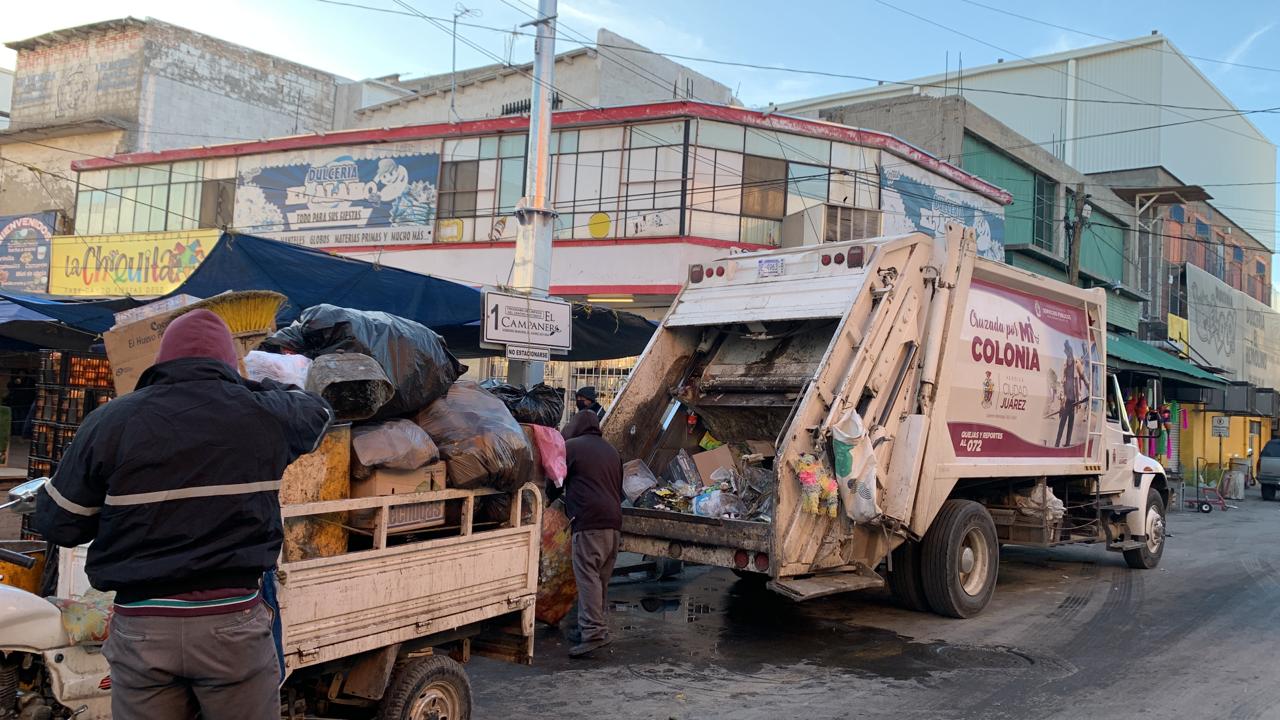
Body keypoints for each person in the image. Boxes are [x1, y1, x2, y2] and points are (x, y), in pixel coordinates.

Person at [34, 309, 332, 720]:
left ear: (161, 361)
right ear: (228, 364)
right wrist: (241, 386)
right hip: (231, 630)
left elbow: (58, 523)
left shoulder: (110, 422)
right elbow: (317, 411)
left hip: (142, 630)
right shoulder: (266, 415)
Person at [560, 409, 623, 658]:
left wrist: (548, 503)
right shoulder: (612, 450)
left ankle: (593, 633)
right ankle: (594, 625)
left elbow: (557, 479)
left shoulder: (573, 447)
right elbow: (619, 489)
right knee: (600, 579)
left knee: (587, 578)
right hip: (614, 523)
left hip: (589, 523)